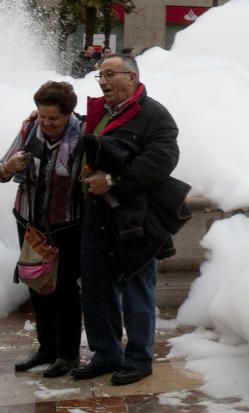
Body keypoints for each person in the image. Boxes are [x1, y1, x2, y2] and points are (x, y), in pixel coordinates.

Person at [70, 54, 180, 386]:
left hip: (135, 220)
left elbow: (163, 160)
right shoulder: (98, 113)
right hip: (96, 215)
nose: (102, 81)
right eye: (99, 75)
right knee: (95, 289)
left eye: (109, 74)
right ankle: (105, 355)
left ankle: (139, 359)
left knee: (137, 290)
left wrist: (115, 181)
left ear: (131, 78)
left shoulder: (155, 116)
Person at [1, 81, 85, 378]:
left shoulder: (84, 135)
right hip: (29, 221)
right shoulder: (28, 130)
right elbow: (1, 170)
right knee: (37, 284)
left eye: (53, 118)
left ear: (68, 114)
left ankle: (69, 354)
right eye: (42, 116)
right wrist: (9, 167)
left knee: (64, 288)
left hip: (68, 223)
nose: (46, 123)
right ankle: (46, 347)